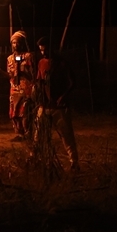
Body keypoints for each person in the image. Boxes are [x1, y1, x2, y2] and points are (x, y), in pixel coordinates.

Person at [34, 38, 79, 171]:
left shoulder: (62, 63)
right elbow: (39, 81)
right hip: (44, 105)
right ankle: (35, 159)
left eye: (45, 49)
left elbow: (72, 82)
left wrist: (63, 96)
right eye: (41, 50)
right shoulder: (41, 63)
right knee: (38, 135)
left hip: (59, 107)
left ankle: (74, 162)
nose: (43, 53)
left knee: (66, 135)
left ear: (51, 48)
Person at [0, 31, 35, 141]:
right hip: (14, 89)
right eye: (13, 43)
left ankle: (28, 133)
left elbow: (33, 74)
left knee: (25, 113)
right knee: (14, 114)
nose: (15, 45)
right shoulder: (9, 59)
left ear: (22, 43)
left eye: (17, 42)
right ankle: (20, 134)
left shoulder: (28, 56)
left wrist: (23, 72)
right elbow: (10, 75)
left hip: (25, 88)